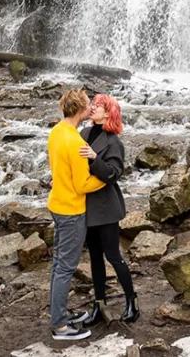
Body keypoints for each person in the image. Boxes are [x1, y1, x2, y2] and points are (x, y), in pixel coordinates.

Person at [47, 88, 107, 341]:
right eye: (87, 105)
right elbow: (83, 185)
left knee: (58, 264)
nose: (90, 108)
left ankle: (58, 313)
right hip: (72, 209)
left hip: (57, 203)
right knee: (65, 268)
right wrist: (106, 181)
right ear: (80, 111)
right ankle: (60, 326)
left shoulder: (57, 131)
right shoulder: (76, 141)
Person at [78, 94, 140, 325]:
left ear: (108, 112)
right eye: (93, 105)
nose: (92, 108)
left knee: (113, 256)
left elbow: (114, 174)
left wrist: (94, 158)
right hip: (87, 206)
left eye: (98, 106)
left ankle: (132, 302)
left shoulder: (114, 142)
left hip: (106, 208)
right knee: (94, 258)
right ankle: (99, 306)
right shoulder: (83, 134)